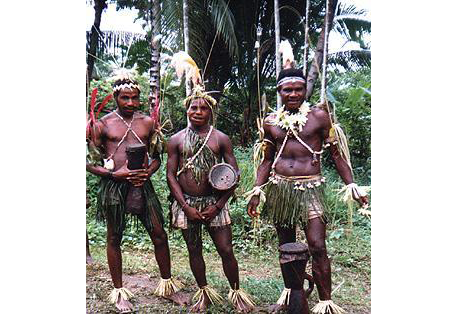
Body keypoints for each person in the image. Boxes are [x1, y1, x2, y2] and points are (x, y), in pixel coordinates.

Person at [245, 43, 368, 314]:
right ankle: (292, 294)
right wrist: (257, 190)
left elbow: (336, 155)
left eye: (298, 89)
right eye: (287, 90)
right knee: (286, 245)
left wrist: (352, 185)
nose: (293, 94)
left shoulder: (320, 117)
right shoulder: (270, 122)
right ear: (279, 92)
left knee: (317, 245)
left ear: (305, 90)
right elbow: (267, 160)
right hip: (280, 189)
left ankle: (325, 302)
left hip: (311, 188)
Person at [86, 72, 185, 313]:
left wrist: (147, 173)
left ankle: (167, 286)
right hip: (114, 186)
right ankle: (120, 293)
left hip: (143, 185)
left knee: (159, 234)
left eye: (134, 98)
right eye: (125, 98)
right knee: (114, 237)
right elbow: (88, 162)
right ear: (116, 97)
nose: (130, 103)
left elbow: (157, 158)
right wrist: (112, 174)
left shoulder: (148, 122)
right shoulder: (102, 124)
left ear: (140, 98)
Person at [166, 52, 255, 313]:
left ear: (210, 111)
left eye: (203, 108)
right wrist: (185, 206)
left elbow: (234, 176)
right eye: (194, 107)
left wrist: (218, 206)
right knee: (194, 250)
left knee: (226, 249)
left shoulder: (221, 139)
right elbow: (171, 175)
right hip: (188, 204)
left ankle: (237, 294)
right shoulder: (176, 140)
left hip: (215, 203)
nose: (198, 112)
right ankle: (203, 293)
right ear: (187, 109)